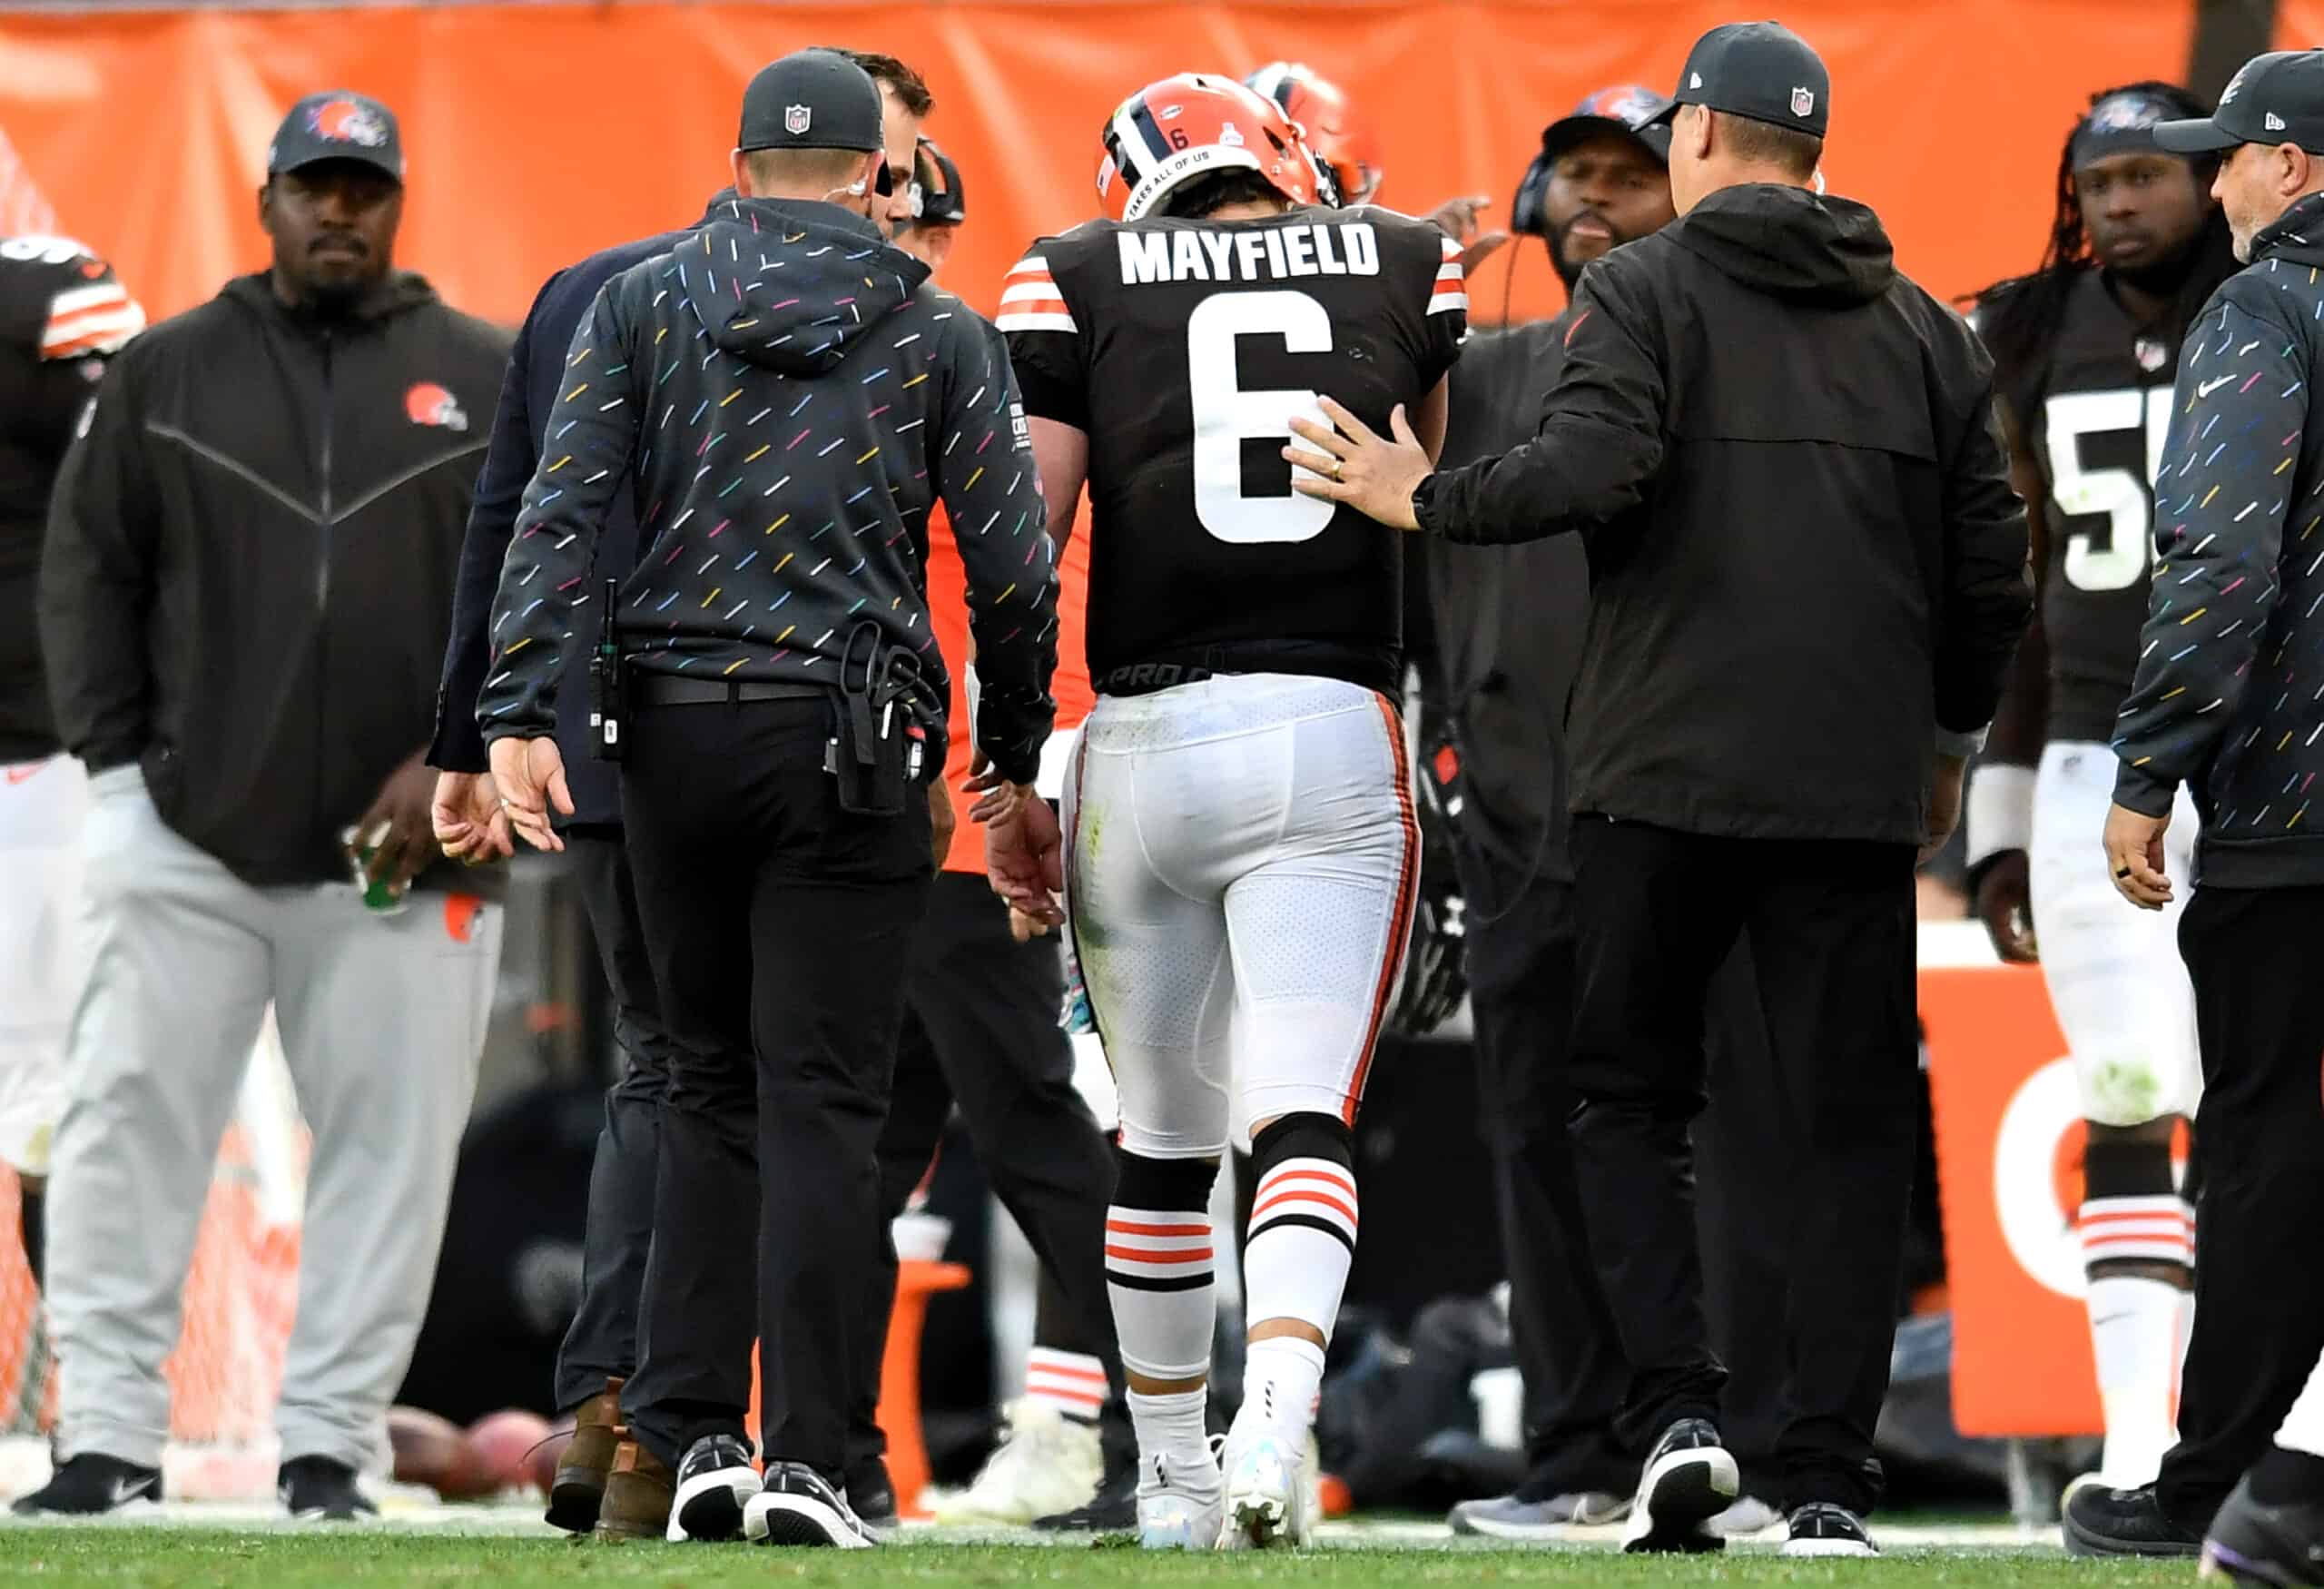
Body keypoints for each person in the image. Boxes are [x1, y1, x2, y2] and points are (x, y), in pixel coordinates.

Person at [1292, 22, 2031, 1557]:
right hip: (1849, 788)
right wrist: (1948, 746)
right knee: (1843, 1132)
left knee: (1623, 1102)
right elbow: (1988, 578)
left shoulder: (1639, 290)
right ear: (1814, 150)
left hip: (1655, 775)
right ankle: (1825, 1475)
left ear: (1698, 137)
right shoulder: (1925, 330)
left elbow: (1587, 473)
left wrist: (1414, 495)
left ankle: (1676, 1419)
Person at [478, 49, 1057, 1550]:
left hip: (667, 737)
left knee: (702, 1089)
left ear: (738, 166)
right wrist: (1016, 731)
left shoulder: (641, 300)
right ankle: (814, 1456)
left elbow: (556, 509)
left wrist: (516, 709)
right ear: (880, 173)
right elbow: (1009, 560)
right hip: (852, 744)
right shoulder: (936, 327)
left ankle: (688, 1438)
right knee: (823, 1105)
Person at [988, 69, 1464, 1550]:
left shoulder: (1072, 271)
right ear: (1277, 154)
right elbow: (1431, 494)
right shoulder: (1398, 253)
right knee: (1304, 1107)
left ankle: (1177, 1480)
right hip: (1331, 719)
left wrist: (1008, 766)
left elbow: (1023, 546)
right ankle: (1279, 1419)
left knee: (1159, 1138)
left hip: (1141, 734)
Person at [20, 91, 510, 1521]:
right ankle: (104, 1441)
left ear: (397, 200)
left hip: (404, 857)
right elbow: (86, 576)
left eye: (362, 187)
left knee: (392, 1158)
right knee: (125, 1134)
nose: (337, 211)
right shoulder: (167, 371)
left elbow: (541, 598)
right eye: (315, 186)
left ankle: (329, 1451)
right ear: (270, 198)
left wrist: (466, 753)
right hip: (187, 838)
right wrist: (119, 779)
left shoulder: (482, 373)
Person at [841, 126, 1132, 1532]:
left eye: (906, 227)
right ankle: (827, 1436)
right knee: (880, 1130)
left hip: (981, 799)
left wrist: (1029, 776)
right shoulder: (928, 356)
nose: (888, 246)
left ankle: (1144, 1420)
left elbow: (1027, 605)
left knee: (1036, 1127)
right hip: (910, 803)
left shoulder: (952, 361)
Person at [2067, 46, 2324, 1563]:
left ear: (2291, 167)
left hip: (2298, 809)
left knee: (2264, 1155)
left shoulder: (2267, 304)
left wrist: (2150, 762)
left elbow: (2220, 559)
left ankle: (2229, 1478)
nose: (2214, 177)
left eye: (2231, 152)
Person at [1964, 82, 2238, 1495]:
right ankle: (2139, 1441)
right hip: (2089, 747)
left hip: (2265, 752)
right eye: (2095, 180)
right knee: (2128, 1089)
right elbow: (2021, 594)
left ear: (2215, 175)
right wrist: (1997, 820)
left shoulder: (2278, 307)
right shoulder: (2021, 330)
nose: (2116, 203)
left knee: (2266, 1101)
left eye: (2144, 175)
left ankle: (2275, 1439)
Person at [1423, 84, 1679, 1543]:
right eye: (1573, 176)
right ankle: (1579, 1445)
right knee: (1532, 1134)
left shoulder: (1714, 357)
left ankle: (1705, 1427)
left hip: (1674, 812)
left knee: (1684, 1130)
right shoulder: (1485, 369)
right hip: (1516, 822)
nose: (1594, 198)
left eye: (1628, 177)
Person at [0, 233, 141, 1291]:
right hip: (42, 777)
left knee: (55, 1103)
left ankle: (90, 1407)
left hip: (47, 776)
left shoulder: (41, 281)